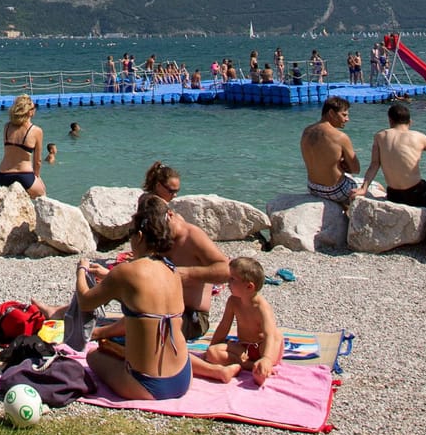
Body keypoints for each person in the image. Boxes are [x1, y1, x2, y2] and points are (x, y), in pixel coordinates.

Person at [76, 195, 192, 401]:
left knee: (93, 356)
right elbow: (142, 303)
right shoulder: (172, 271)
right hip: (183, 378)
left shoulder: (126, 272)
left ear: (139, 236)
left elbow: (85, 301)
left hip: (149, 386)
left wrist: (81, 269)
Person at [141, 161, 231, 338]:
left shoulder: (191, 236)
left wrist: (188, 274)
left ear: (170, 215)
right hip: (162, 309)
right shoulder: (154, 234)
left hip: (191, 317)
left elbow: (227, 270)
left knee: (145, 328)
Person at [188, 256, 282, 384]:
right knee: (212, 353)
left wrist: (266, 358)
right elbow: (224, 327)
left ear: (249, 287)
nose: (228, 283)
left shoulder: (261, 307)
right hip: (244, 348)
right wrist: (211, 347)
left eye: (232, 279)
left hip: (263, 346)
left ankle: (263, 365)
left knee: (276, 335)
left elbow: (269, 335)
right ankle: (249, 365)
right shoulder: (233, 301)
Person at [361, 101, 426, 209]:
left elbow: (374, 165)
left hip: (394, 195)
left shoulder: (380, 136)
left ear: (390, 121)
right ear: (410, 122)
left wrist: (363, 188)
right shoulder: (418, 137)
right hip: (416, 194)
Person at [301, 98, 363, 204]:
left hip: (312, 187)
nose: (347, 119)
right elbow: (356, 169)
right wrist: (345, 162)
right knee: (375, 186)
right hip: (334, 190)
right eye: (344, 115)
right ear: (331, 113)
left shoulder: (307, 131)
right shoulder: (340, 137)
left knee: (349, 177)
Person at [0, 94, 46, 198]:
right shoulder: (36, 131)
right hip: (24, 175)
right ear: (30, 112)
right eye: (34, 107)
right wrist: (37, 177)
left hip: (4, 176)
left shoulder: (7, 127)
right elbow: (37, 161)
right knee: (42, 195)